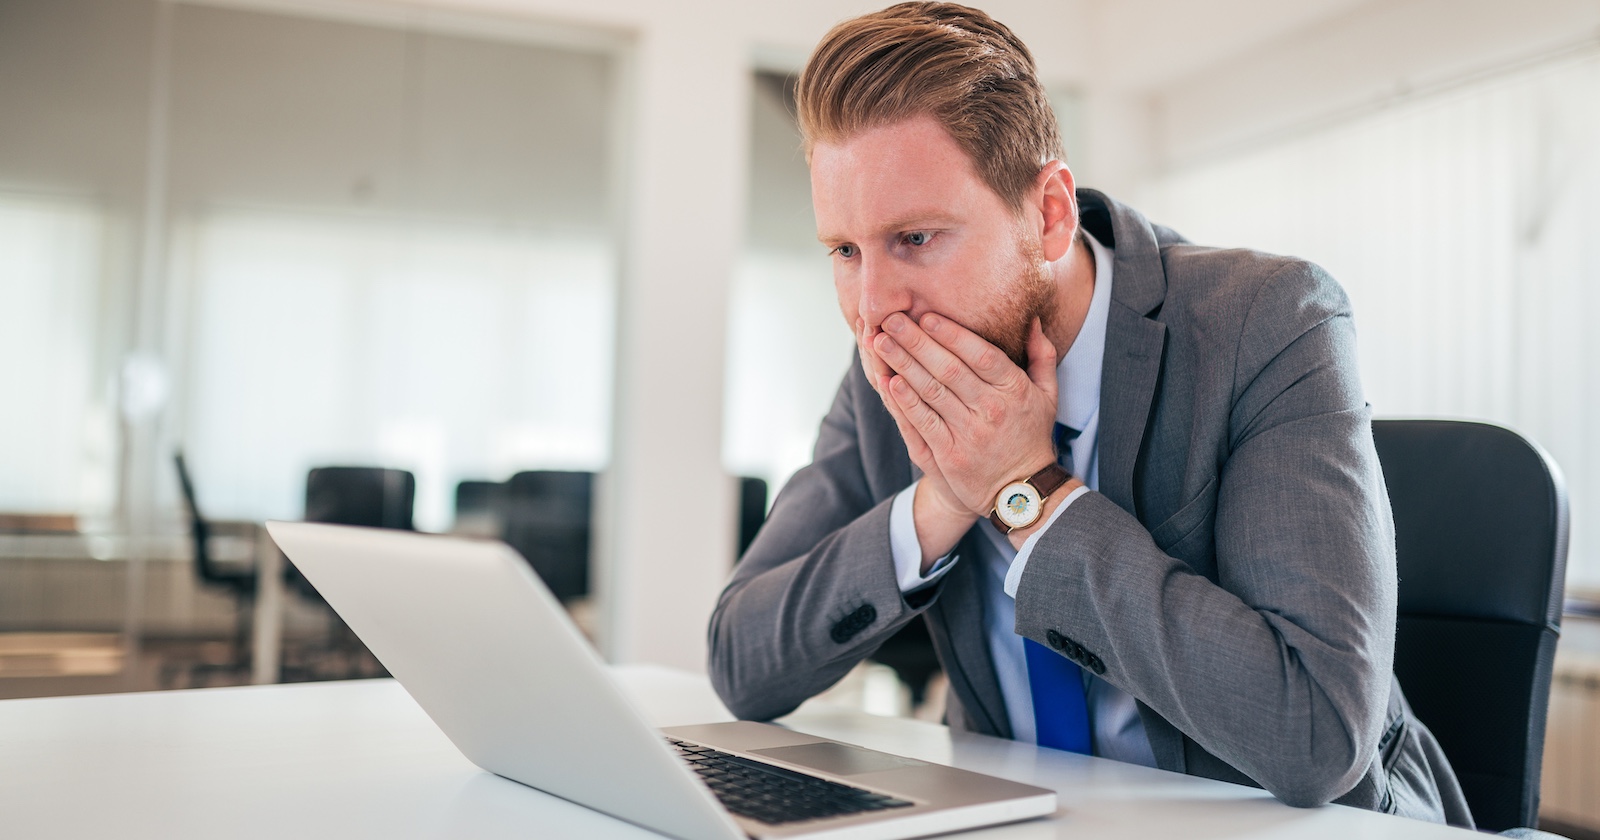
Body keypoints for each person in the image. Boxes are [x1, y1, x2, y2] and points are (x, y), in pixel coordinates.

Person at [707, 1, 1471, 827]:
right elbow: (741, 662)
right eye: (846, 251)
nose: (873, 308)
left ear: (1049, 214)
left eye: (916, 238)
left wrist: (1026, 491)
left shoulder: (1266, 322)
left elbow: (1317, 735)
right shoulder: (892, 367)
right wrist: (943, 500)